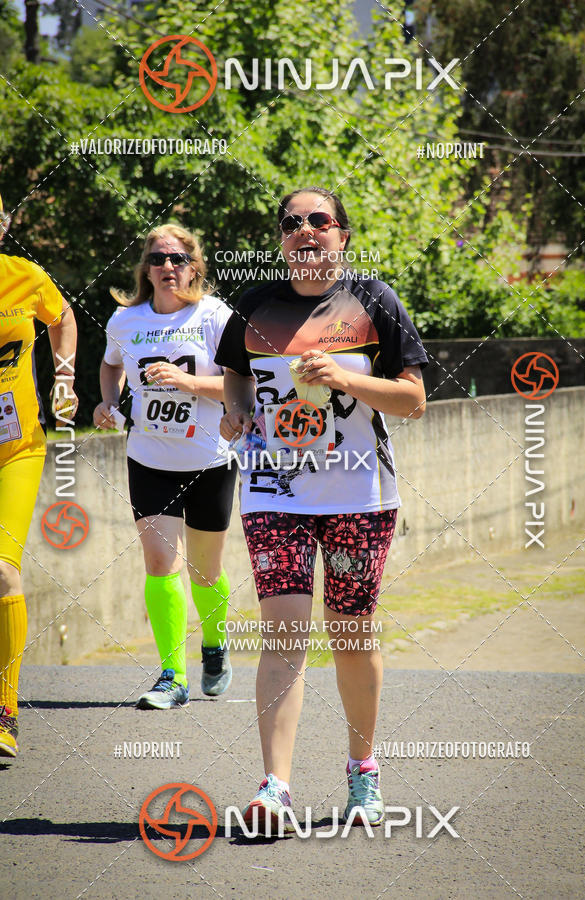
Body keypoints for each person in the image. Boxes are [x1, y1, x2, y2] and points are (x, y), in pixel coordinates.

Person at [217, 186, 428, 830]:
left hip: (358, 494)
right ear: (281, 239)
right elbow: (234, 371)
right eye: (291, 223)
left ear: (342, 235)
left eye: (319, 221)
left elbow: (413, 398)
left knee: (352, 633)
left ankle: (363, 774)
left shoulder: (374, 303)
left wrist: (344, 378)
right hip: (274, 491)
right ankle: (274, 787)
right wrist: (236, 409)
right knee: (283, 634)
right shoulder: (254, 307)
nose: (304, 230)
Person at [93, 223, 236, 709]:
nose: (168, 267)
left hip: (208, 459)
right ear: (145, 269)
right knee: (159, 563)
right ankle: (171, 676)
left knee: (205, 572)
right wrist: (108, 402)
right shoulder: (124, 320)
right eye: (158, 259)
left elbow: (247, 386)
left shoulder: (215, 316)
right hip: (149, 458)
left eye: (177, 259)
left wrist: (188, 382)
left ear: (194, 266)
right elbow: (111, 365)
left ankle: (215, 645)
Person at [0, 193, 78, 758]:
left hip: (16, 450)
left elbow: (64, 317)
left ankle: (6, 711)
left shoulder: (25, 278)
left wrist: (65, 378)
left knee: (3, 571)